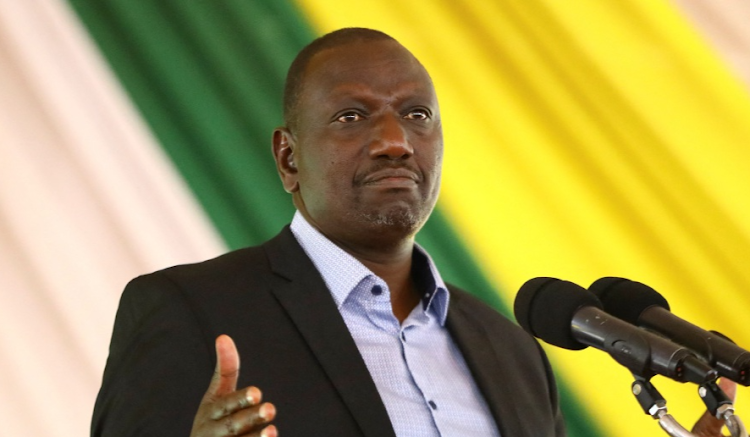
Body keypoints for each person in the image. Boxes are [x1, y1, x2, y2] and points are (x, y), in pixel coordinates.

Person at [92, 28, 733, 437]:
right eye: (352, 115)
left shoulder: (513, 353)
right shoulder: (190, 313)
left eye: (416, 114)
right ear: (289, 158)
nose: (395, 141)